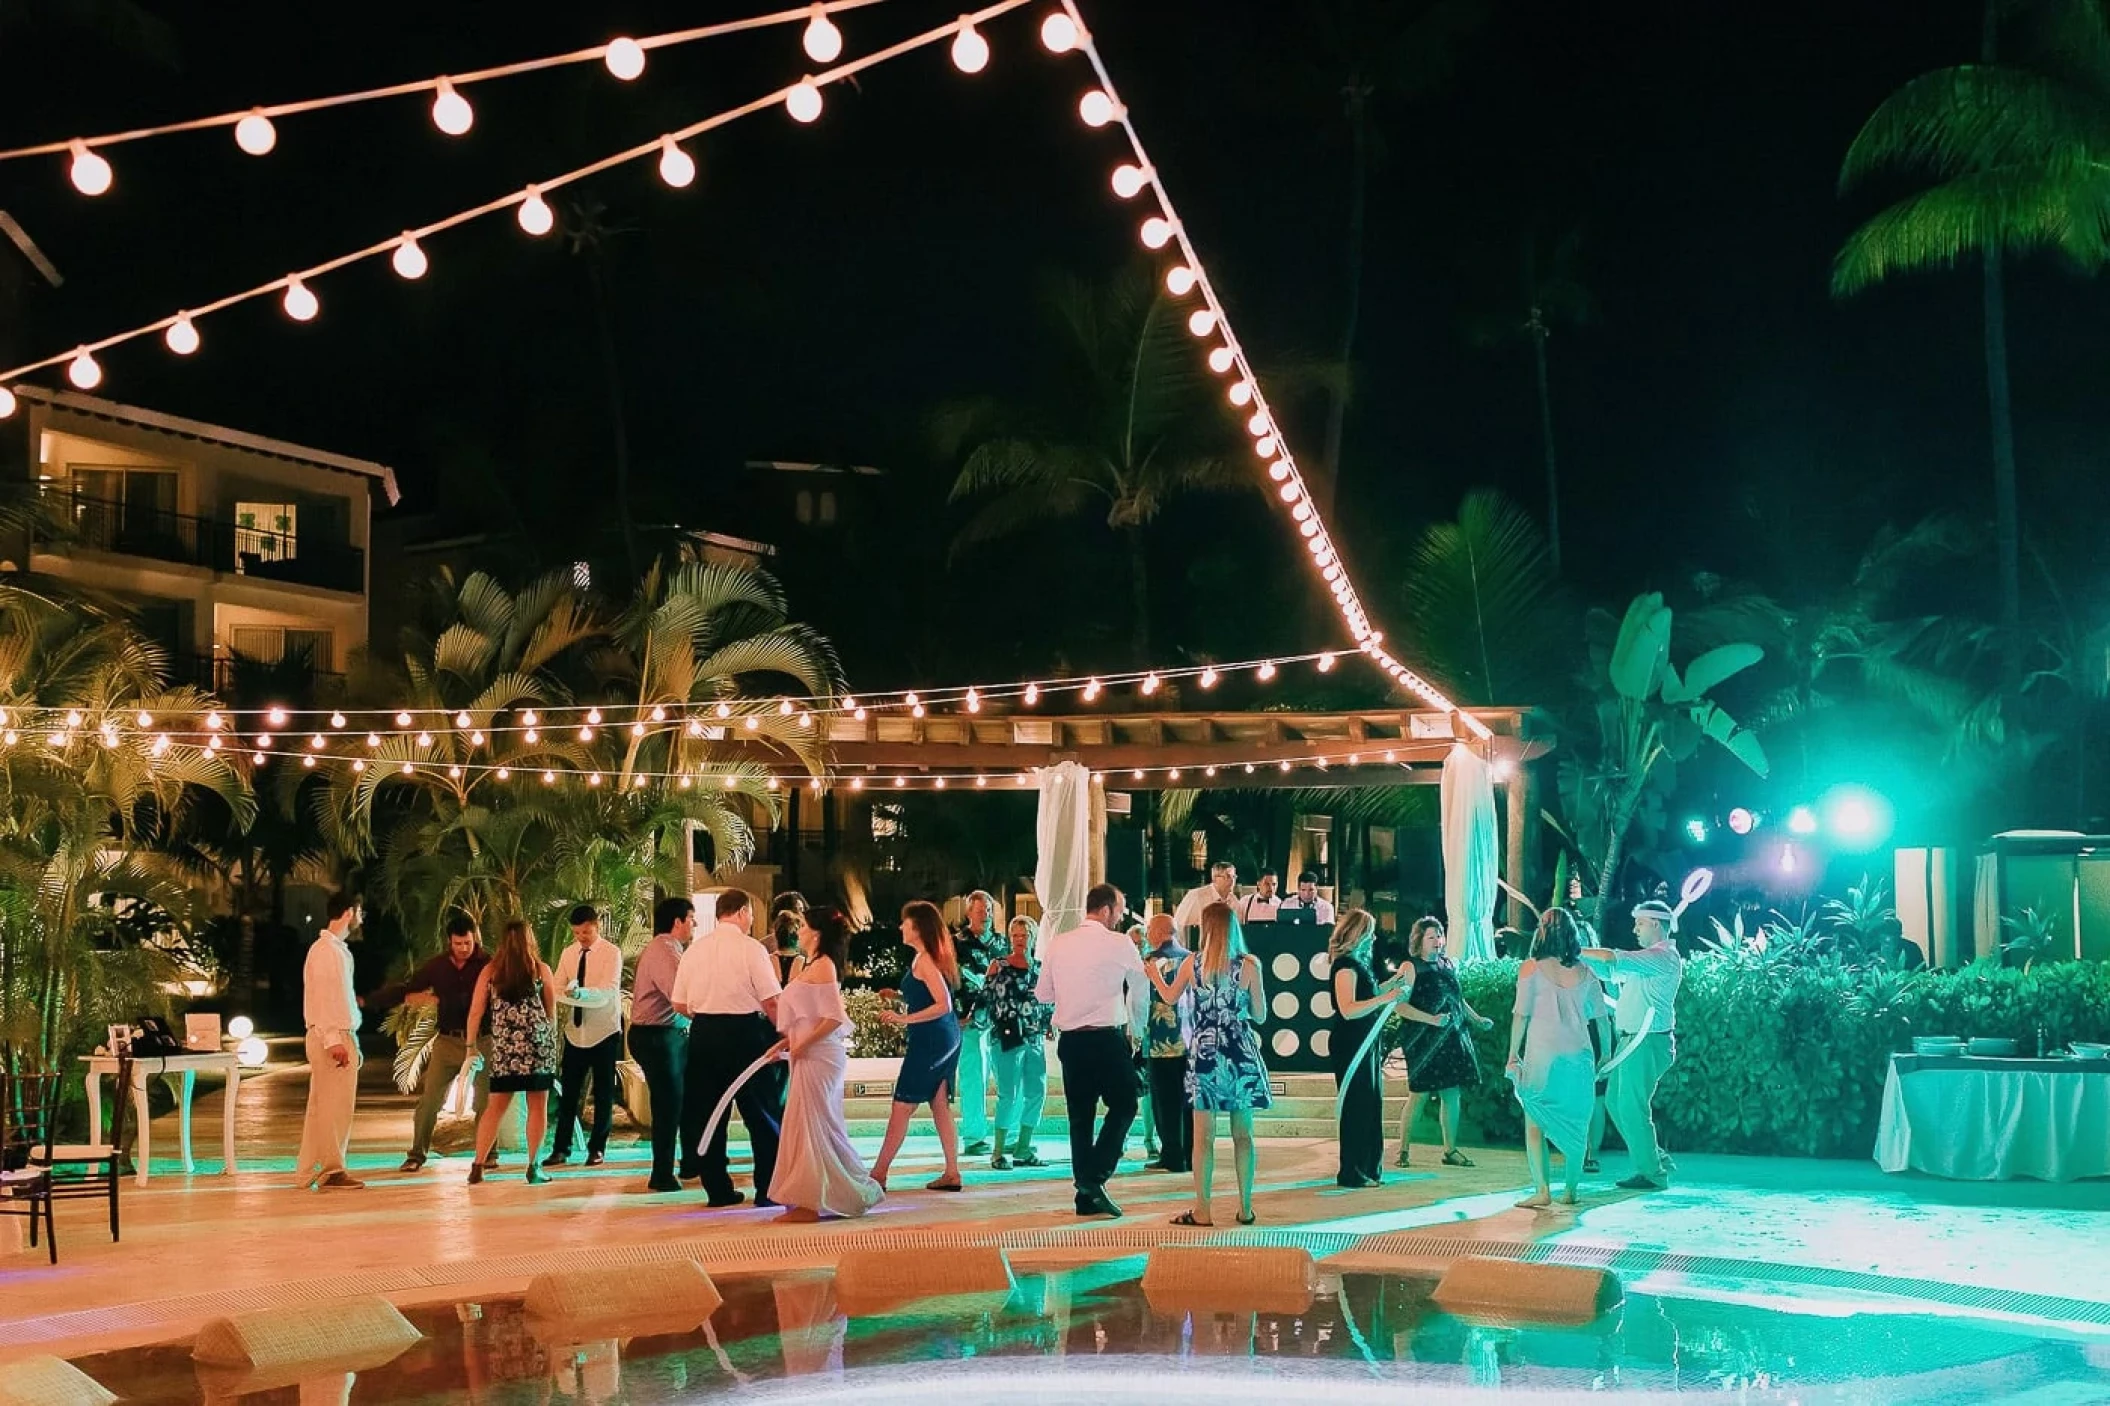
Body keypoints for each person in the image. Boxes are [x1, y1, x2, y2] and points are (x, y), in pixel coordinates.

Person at [1152, 902, 1270, 1227]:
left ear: (1206, 928)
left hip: (1204, 1053)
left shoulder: (1193, 963)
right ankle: (1245, 1208)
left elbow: (1170, 997)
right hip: (1239, 1052)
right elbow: (1260, 1015)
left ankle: (1202, 1209)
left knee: (1202, 1138)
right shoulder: (1249, 966)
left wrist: (1152, 975)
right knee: (1243, 1135)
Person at [1037, 882, 1149, 1218]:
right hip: (1105, 1037)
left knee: (1080, 1118)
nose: (1120, 916)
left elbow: (1043, 994)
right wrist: (1137, 1029)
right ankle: (1092, 1178)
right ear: (1106, 909)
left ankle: (1086, 1195)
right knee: (1126, 1103)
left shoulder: (1059, 943)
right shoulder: (1120, 943)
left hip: (1071, 1040)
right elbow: (1141, 988)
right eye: (1119, 909)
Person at [768, 906, 884, 1221]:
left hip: (819, 1057)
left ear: (816, 933)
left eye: (804, 926)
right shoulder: (812, 965)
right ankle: (810, 1196)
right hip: (808, 1054)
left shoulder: (823, 967)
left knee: (812, 1125)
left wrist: (800, 1045)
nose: (799, 931)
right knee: (808, 1124)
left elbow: (833, 1018)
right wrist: (787, 1043)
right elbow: (809, 1018)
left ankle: (808, 1203)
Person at [673, 888, 784, 1206]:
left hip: (705, 1032)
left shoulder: (694, 950)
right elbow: (771, 999)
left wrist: (706, 1012)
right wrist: (784, 1031)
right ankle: (767, 1189)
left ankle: (717, 1190)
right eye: (749, 914)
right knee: (762, 1113)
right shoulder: (751, 949)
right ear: (742, 912)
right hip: (745, 1033)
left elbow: (678, 1002)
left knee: (709, 1115)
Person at [1506, 908, 1611, 1207]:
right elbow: (1602, 1019)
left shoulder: (1531, 969)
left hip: (1543, 1058)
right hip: (1579, 1059)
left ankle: (1542, 1191)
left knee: (1535, 1122)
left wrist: (1512, 1054)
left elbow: (1520, 1016)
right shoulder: (1586, 972)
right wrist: (1606, 1054)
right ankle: (1571, 1191)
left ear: (1541, 932)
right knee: (1578, 1126)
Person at [370, 913, 490, 1174]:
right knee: (429, 1100)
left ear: (474, 939)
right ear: (450, 941)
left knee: (485, 1101)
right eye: (458, 944)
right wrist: (372, 1000)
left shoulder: (487, 964)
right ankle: (416, 1154)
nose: (463, 949)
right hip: (448, 1040)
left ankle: (488, 1153)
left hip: (482, 1040)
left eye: (467, 943)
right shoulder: (437, 966)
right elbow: (409, 989)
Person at [1580, 898, 1685, 1190]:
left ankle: (1652, 1173)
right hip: (1633, 1043)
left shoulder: (1662, 958)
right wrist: (1580, 961)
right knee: (1616, 1103)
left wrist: (1574, 950)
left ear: (1655, 924)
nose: (1635, 929)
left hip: (1645, 1042)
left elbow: (1613, 958)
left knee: (1631, 1107)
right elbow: (1611, 971)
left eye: (1639, 923)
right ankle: (1655, 1159)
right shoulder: (1648, 961)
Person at [872, 900, 965, 1191]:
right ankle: (952, 1173)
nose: (901, 927)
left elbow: (943, 1004)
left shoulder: (925, 960)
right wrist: (900, 998)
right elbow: (929, 997)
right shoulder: (924, 958)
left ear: (918, 927)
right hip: (942, 1038)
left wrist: (903, 1017)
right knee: (939, 1104)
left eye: (905, 922)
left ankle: (878, 1174)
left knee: (902, 1104)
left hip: (931, 1041)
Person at [1393, 916, 1494, 1168]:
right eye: (1431, 937)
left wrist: (1477, 1019)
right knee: (1419, 1095)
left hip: (1452, 1037)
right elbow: (1400, 1006)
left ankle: (1450, 1150)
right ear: (1419, 940)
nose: (1438, 941)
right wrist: (1431, 1019)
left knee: (1452, 1093)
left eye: (1440, 936)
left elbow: (1457, 998)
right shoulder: (1410, 967)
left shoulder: (1447, 963)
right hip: (1423, 1041)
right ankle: (1403, 1150)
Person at [466, 919, 561, 1185]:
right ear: (529, 940)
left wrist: (470, 1046)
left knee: (494, 1107)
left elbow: (476, 1011)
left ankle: (477, 1165)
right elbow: (550, 1011)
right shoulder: (540, 970)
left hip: (506, 1049)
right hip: (537, 1048)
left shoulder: (491, 972)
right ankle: (534, 1165)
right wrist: (549, 1042)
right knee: (537, 1106)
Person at [1327, 909, 1406, 1187]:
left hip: (1367, 1041)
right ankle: (1352, 1170)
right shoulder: (1345, 966)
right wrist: (1387, 998)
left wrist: (1393, 986)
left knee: (1370, 1103)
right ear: (1357, 934)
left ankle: (1368, 1167)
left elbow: (1369, 995)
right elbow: (1348, 1009)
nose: (1374, 938)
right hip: (1351, 1044)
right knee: (1356, 1105)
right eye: (1370, 931)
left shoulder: (1360, 964)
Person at [545, 904, 623, 1168]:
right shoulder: (568, 954)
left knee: (603, 1094)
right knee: (568, 1094)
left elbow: (608, 990)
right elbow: (556, 985)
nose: (582, 937)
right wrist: (564, 992)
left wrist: (581, 994)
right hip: (575, 1033)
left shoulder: (612, 953)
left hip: (604, 1032)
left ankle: (597, 1149)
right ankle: (560, 1149)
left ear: (596, 925)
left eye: (586, 932)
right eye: (577, 933)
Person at [296, 890, 365, 1190]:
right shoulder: (325, 951)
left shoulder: (335, 950)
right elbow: (323, 1000)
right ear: (349, 912)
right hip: (331, 1037)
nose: (361, 918)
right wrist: (334, 1040)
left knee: (325, 1106)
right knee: (332, 1108)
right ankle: (331, 1170)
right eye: (360, 912)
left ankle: (311, 1168)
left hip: (340, 1035)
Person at [631, 896, 695, 1192]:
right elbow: (680, 999)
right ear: (678, 921)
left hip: (663, 1034)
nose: (693, 925)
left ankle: (690, 1160)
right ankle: (661, 1173)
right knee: (668, 1104)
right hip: (657, 1035)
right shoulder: (666, 951)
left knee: (680, 1099)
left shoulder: (668, 949)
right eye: (691, 919)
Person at [984, 915, 1052, 1170]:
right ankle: (998, 1151)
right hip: (1006, 1037)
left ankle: (1024, 1147)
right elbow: (986, 999)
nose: (1020, 940)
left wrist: (1048, 1025)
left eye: (1024, 935)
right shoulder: (998, 965)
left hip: (1033, 1036)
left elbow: (1047, 1000)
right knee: (1008, 1094)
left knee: (1037, 1091)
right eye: (1015, 935)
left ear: (1033, 937)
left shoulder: (1039, 968)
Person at [952, 890, 1004, 1156]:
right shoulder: (956, 943)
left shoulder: (1002, 944)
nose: (985, 914)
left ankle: (1009, 1134)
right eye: (980, 909)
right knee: (974, 1078)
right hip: (970, 1020)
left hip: (1001, 1021)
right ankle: (974, 1136)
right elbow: (949, 980)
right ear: (969, 912)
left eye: (989, 910)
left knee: (1005, 1079)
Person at [1141, 914, 1193, 1174]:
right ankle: (1191, 1153)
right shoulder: (1191, 958)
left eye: (1150, 928)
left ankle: (1172, 1154)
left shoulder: (1151, 961)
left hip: (1161, 1041)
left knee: (1165, 1102)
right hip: (1190, 1041)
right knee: (1188, 1101)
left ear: (1161, 932)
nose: (1148, 933)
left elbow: (1141, 1000)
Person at [1172, 862, 1238, 941]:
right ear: (1214, 878)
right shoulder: (1196, 896)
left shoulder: (1234, 901)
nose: (1232, 881)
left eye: (1234, 877)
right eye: (1227, 876)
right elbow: (1180, 925)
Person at [770, 893, 809, 986]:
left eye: (802, 910)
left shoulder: (809, 944)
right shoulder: (764, 946)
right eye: (797, 910)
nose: (802, 915)